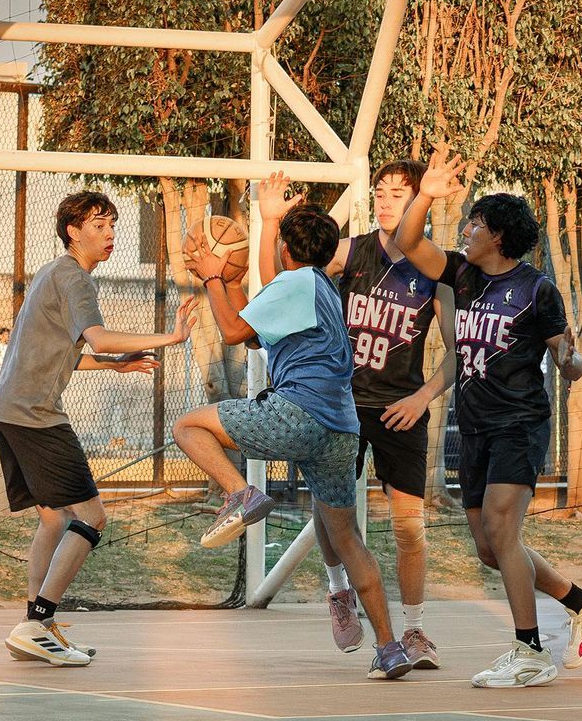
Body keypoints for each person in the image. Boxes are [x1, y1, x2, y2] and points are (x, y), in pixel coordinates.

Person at [394, 150, 582, 689]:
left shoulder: (536, 289)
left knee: (501, 526)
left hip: (519, 422)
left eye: (475, 223)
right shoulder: (462, 274)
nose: (466, 229)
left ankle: (530, 650)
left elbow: (571, 361)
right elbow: (407, 242)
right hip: (474, 426)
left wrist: (571, 359)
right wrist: (425, 192)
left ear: (497, 235)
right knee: (492, 550)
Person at [174, 200, 415, 681]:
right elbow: (254, 334)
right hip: (341, 429)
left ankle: (241, 493)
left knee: (188, 426)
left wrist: (212, 278)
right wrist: (234, 278)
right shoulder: (322, 286)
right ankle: (389, 648)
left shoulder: (294, 282)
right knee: (346, 537)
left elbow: (231, 329)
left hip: (297, 414)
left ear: (286, 249)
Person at [0, 191, 192, 666]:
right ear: (72, 232)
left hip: (8, 409)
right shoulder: (76, 278)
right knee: (93, 516)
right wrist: (172, 335)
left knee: (54, 518)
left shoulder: (51, 272)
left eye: (112, 225)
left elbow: (56, 352)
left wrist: (112, 366)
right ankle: (36, 623)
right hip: (36, 414)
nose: (109, 233)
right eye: (98, 225)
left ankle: (36, 627)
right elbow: (98, 336)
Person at [258, 165, 450, 666]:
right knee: (331, 508)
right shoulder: (349, 250)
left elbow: (454, 353)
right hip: (340, 404)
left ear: (418, 201)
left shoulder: (435, 268)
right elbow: (282, 284)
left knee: (409, 526)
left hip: (400, 407)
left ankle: (413, 630)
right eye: (379, 193)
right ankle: (339, 590)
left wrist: (422, 396)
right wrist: (272, 220)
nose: (384, 202)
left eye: (396, 194)